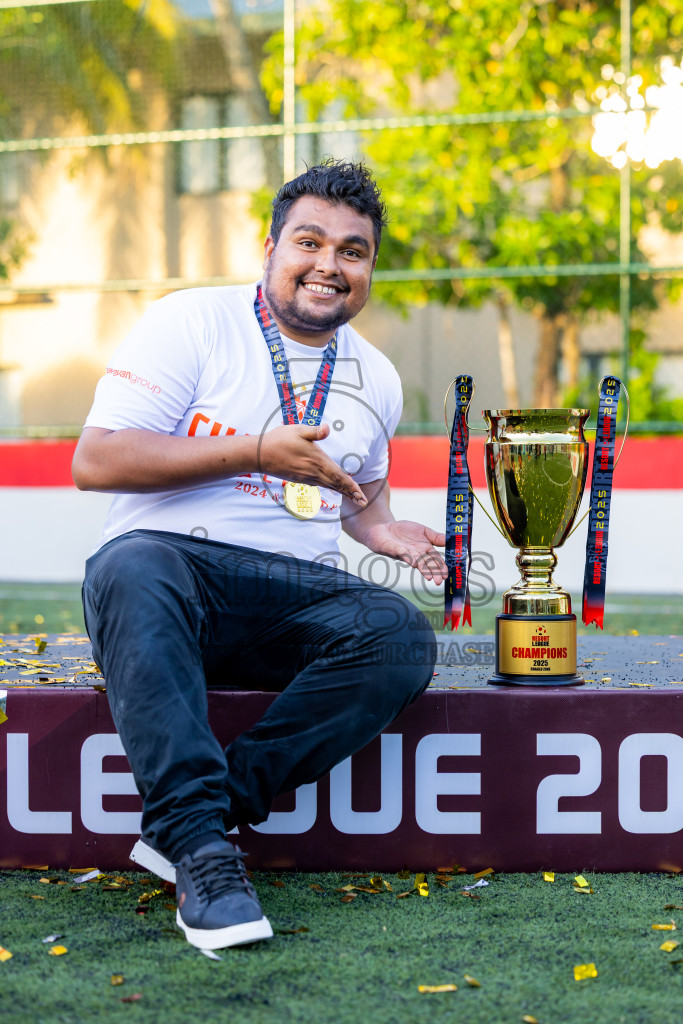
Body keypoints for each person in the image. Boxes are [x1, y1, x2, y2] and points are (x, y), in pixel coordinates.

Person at [72, 159, 447, 952]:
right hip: (168, 575)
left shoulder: (374, 377)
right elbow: (97, 462)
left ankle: (198, 819)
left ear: (368, 268)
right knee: (131, 563)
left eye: (353, 251)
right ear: (270, 247)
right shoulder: (194, 322)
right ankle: (205, 858)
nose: (329, 265)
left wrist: (387, 533)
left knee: (399, 633)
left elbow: (358, 503)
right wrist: (254, 451)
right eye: (309, 242)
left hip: (289, 596)